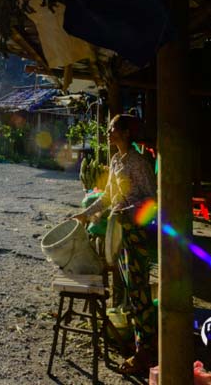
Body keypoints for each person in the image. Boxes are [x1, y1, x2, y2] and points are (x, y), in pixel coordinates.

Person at [72, 114, 157, 375]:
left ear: (126, 134)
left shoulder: (138, 163)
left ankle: (146, 351)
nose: (108, 133)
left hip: (135, 233)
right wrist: (86, 214)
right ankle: (138, 344)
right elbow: (109, 196)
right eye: (109, 130)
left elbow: (152, 200)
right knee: (130, 288)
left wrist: (130, 210)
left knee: (139, 288)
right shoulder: (116, 160)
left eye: (112, 130)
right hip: (119, 229)